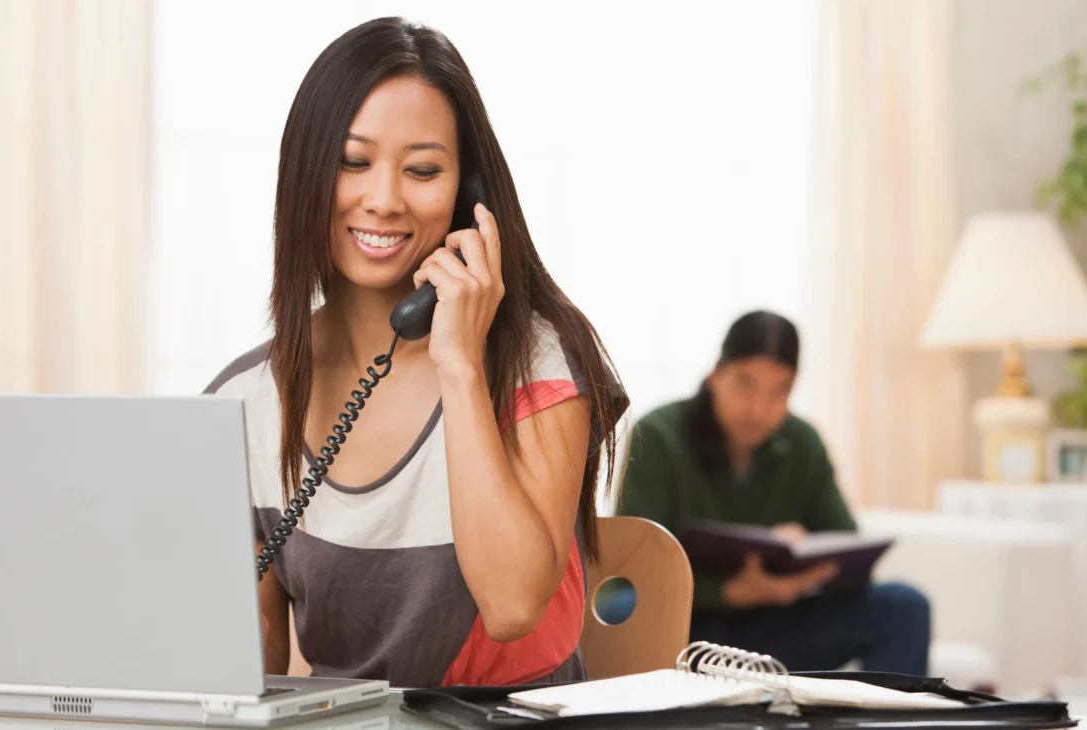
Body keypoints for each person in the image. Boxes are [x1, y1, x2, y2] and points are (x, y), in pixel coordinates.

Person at [202, 17, 627, 689]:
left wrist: (459, 365)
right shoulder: (243, 400)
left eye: (423, 170)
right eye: (352, 161)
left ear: (470, 192)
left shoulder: (537, 360)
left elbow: (514, 606)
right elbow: (246, 663)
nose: (384, 200)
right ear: (305, 172)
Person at [617, 310, 930, 675]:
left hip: (777, 628)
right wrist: (728, 592)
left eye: (779, 392)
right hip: (688, 636)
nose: (759, 409)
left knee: (904, 605)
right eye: (745, 385)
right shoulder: (658, 436)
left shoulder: (802, 442)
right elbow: (632, 576)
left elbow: (851, 560)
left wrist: (804, 561)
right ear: (717, 374)